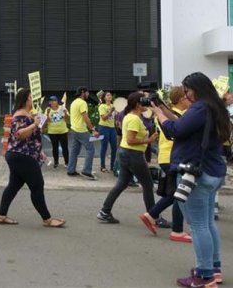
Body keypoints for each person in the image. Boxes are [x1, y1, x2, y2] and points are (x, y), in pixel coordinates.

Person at [151, 72, 230, 287]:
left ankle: (204, 276)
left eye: (187, 91)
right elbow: (184, 123)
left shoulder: (201, 108)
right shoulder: (214, 107)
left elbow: (175, 130)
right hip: (213, 171)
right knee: (207, 224)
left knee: (198, 226)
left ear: (196, 88)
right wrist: (163, 107)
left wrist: (158, 112)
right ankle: (213, 270)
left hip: (197, 173)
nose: (186, 95)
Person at [0, 89, 65, 227]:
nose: (32, 99)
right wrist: (34, 124)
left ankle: (1, 215)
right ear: (25, 99)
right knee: (37, 185)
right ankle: (47, 219)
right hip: (22, 156)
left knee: (14, 185)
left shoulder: (27, 114)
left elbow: (30, 138)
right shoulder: (21, 114)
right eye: (30, 97)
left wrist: (39, 151)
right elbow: (19, 134)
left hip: (19, 154)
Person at [97, 92, 158, 224]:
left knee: (121, 184)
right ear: (137, 104)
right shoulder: (134, 119)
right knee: (148, 185)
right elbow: (131, 140)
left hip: (125, 153)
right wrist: (148, 140)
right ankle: (153, 216)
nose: (146, 104)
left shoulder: (130, 116)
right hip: (133, 154)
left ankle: (104, 211)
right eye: (144, 102)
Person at [140, 86, 190, 241]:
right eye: (187, 96)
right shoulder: (177, 115)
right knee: (179, 195)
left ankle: (152, 214)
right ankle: (175, 229)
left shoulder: (171, 113)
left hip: (167, 157)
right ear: (182, 99)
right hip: (172, 157)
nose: (189, 99)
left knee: (176, 193)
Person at [67, 86, 99, 180]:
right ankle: (86, 171)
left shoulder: (74, 102)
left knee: (74, 151)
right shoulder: (82, 103)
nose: (88, 94)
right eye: (87, 92)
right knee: (90, 149)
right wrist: (93, 130)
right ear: (82, 92)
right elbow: (86, 118)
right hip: (81, 130)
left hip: (74, 129)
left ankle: (71, 170)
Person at [44, 95, 69, 168]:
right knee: (55, 148)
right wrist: (48, 114)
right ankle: (56, 162)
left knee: (65, 148)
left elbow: (67, 118)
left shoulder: (62, 108)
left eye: (52, 101)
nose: (51, 102)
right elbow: (46, 121)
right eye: (50, 101)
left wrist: (65, 112)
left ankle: (67, 162)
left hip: (63, 131)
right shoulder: (48, 109)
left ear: (56, 101)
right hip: (52, 132)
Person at [98, 92, 118, 173]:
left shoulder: (113, 106)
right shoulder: (102, 106)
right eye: (107, 95)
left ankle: (112, 166)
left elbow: (114, 118)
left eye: (110, 95)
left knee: (114, 148)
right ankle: (102, 166)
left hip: (112, 128)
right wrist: (110, 112)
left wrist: (117, 115)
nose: (110, 96)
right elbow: (104, 118)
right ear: (104, 98)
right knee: (104, 147)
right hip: (103, 128)